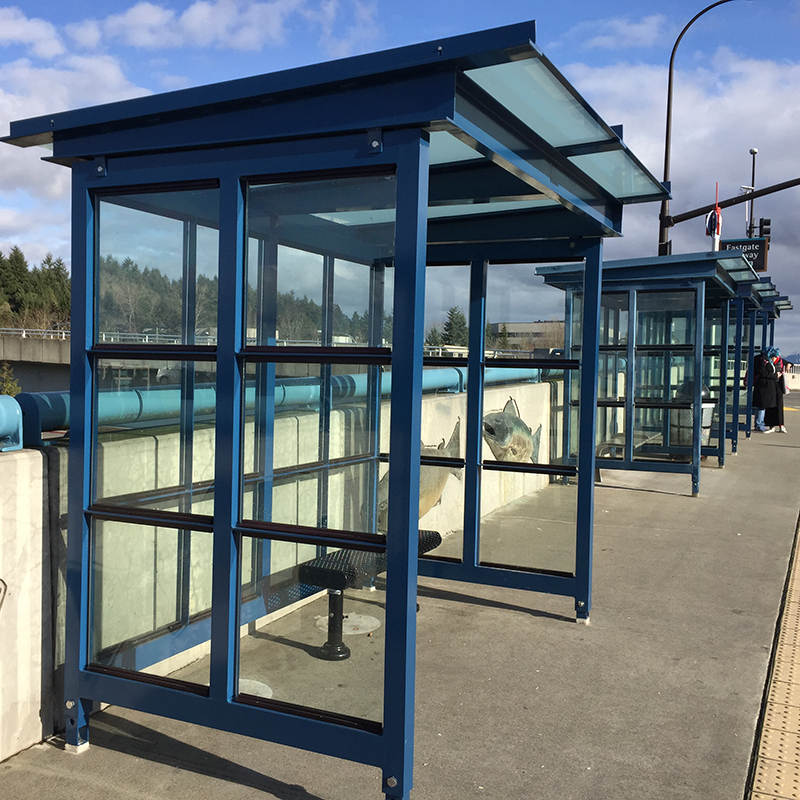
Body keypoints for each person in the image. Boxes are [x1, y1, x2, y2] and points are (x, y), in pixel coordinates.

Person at [752, 347, 778, 433]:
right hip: (763, 387)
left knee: (763, 406)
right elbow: (762, 372)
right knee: (761, 406)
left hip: (767, 387)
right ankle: (759, 424)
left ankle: (760, 423)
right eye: (774, 356)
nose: (774, 359)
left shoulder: (766, 360)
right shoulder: (761, 360)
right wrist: (775, 376)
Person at [765, 346, 788, 433]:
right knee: (770, 405)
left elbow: (789, 363)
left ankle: (781, 425)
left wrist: (789, 365)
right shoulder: (768, 362)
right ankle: (771, 425)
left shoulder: (781, 361)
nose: (774, 359)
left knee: (779, 404)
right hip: (770, 385)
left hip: (778, 385)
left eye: (775, 357)